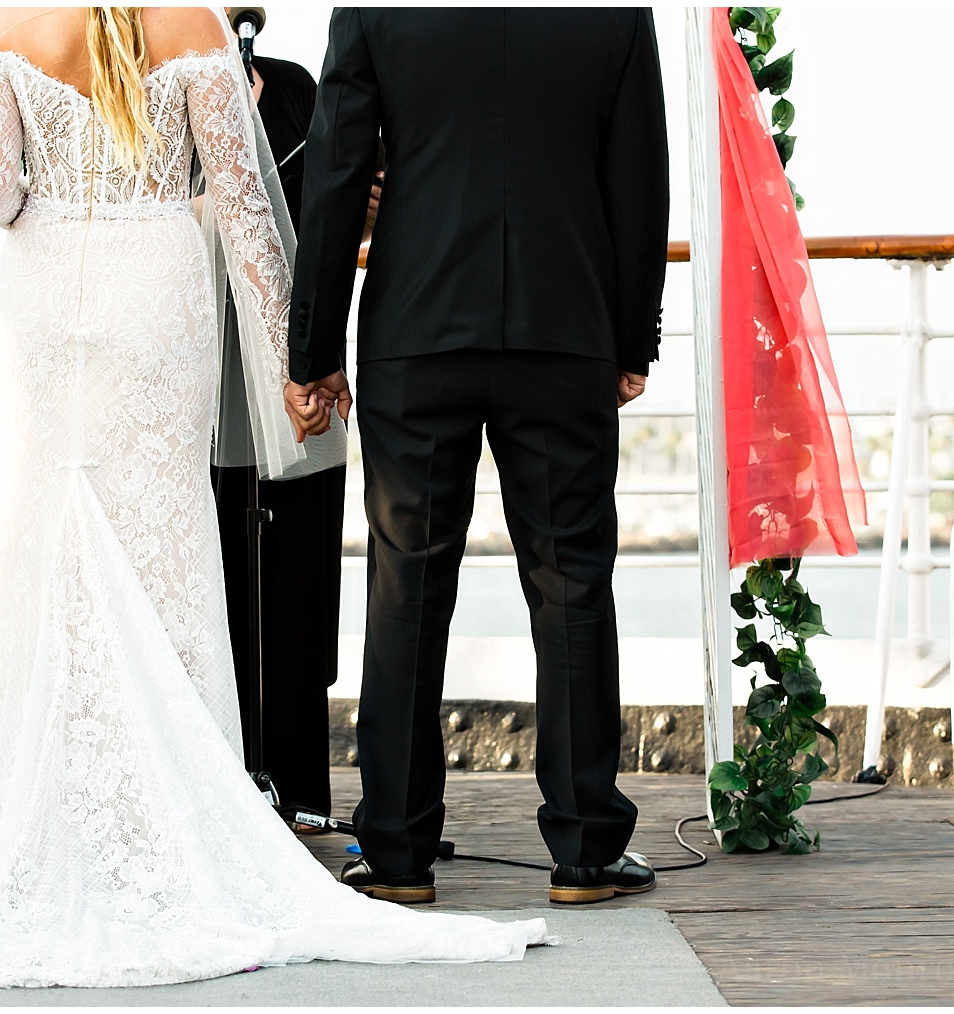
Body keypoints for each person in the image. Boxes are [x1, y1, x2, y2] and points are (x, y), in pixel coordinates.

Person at [0, 7, 548, 988]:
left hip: (44, 302)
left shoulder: (13, 20)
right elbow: (250, 212)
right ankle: (162, 815)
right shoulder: (194, 24)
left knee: (35, 531)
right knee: (162, 538)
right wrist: (294, 365)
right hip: (156, 289)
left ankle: (36, 812)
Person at [285, 9, 669, 906]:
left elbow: (338, 172)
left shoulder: (376, 9)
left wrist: (312, 353)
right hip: (562, 325)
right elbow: (638, 177)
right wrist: (631, 338)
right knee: (571, 579)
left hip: (417, 328)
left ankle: (394, 853)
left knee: (404, 587)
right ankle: (585, 851)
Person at [209, 12, 377, 829]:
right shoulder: (150, 84)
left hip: (289, 370)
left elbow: (321, 219)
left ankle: (302, 787)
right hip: (198, 368)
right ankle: (218, 778)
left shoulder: (298, 87)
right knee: (212, 564)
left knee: (300, 567)